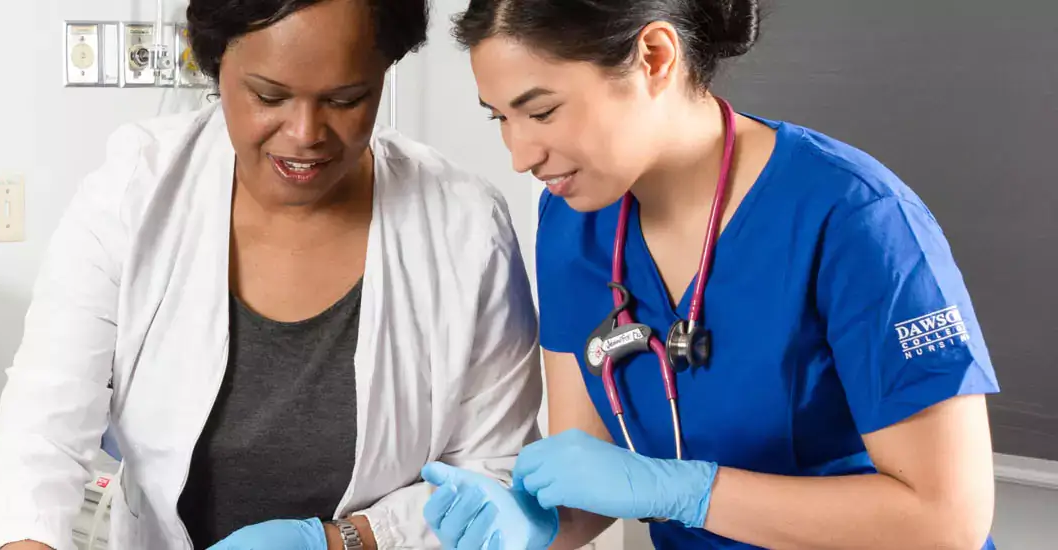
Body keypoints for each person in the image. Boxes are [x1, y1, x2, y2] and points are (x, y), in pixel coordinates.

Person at [420, 0, 1001, 548]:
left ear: (655, 57)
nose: (520, 155)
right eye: (501, 118)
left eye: (541, 111)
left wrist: (683, 490)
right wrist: (535, 525)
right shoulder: (574, 223)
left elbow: (945, 520)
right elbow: (595, 477)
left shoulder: (855, 218)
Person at [0, 0, 546, 548]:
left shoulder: (465, 225)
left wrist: (341, 541)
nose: (305, 133)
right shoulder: (137, 188)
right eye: (268, 95)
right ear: (217, 65)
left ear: (385, 72)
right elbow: (40, 426)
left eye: (346, 99)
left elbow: (494, 472)